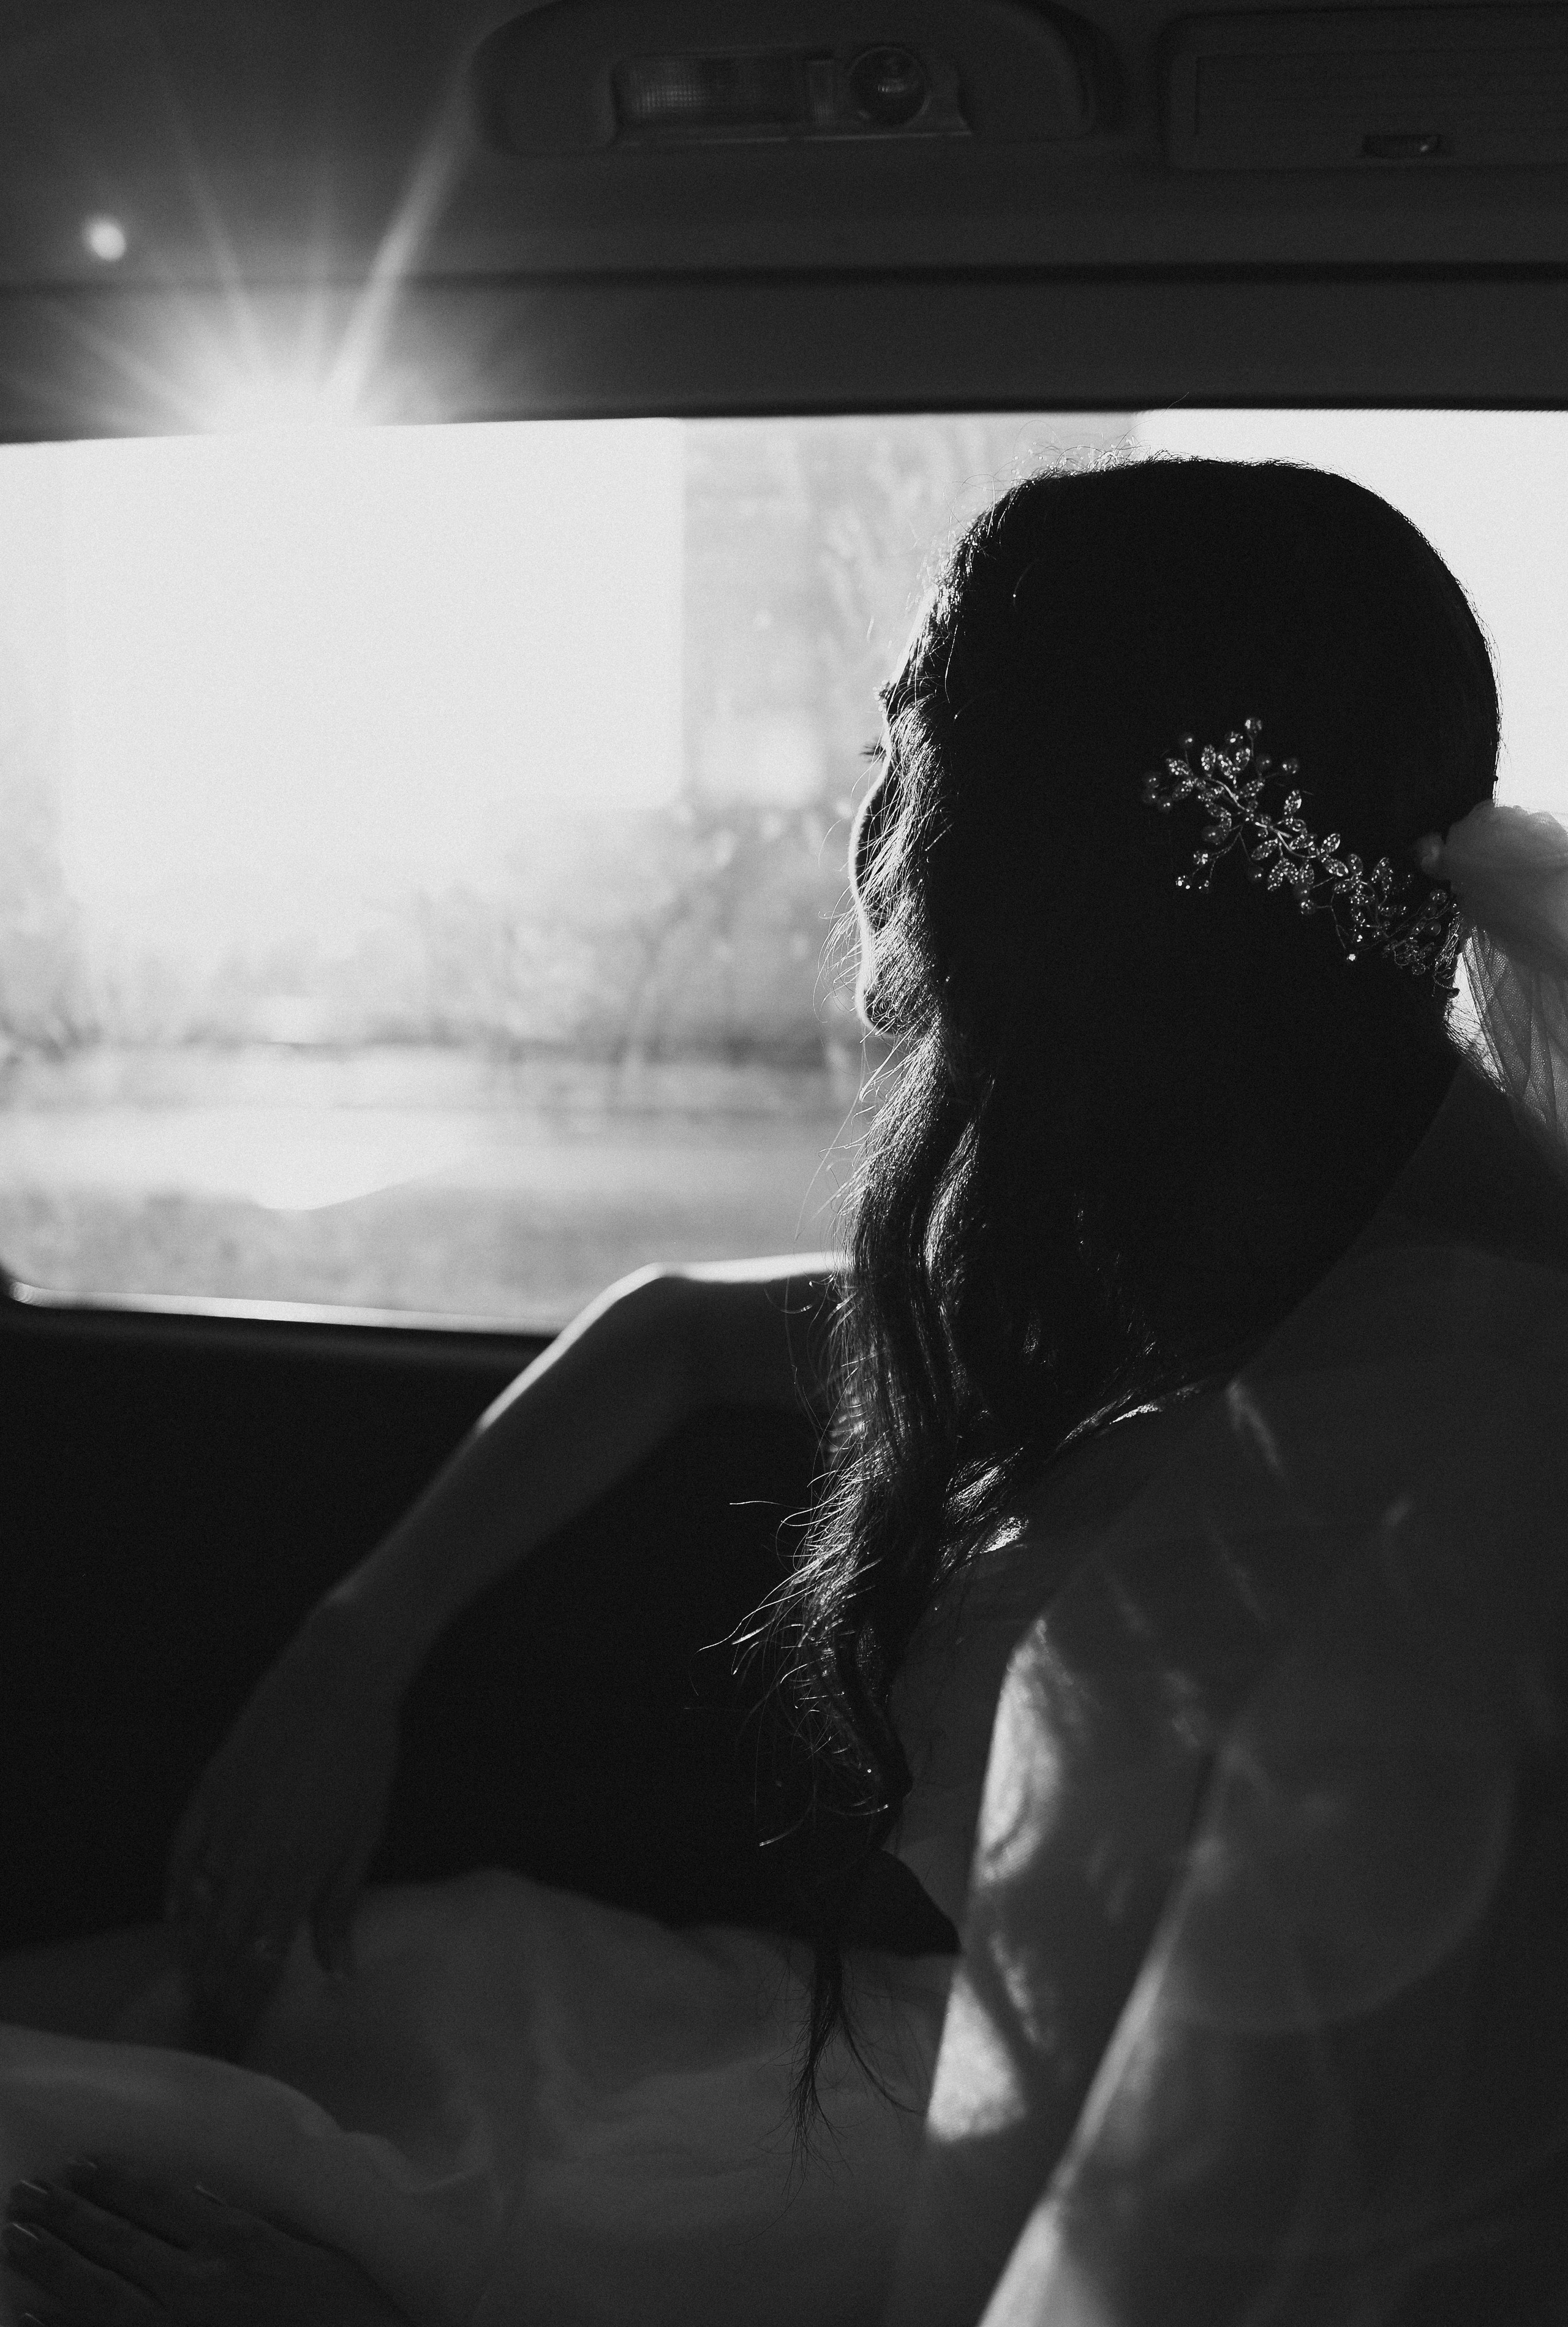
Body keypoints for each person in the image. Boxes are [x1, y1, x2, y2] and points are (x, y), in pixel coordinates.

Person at [4, 453, 1566, 2327]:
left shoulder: (1424, 1529)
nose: (867, 825)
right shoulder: (1201, 1271)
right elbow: (681, 1328)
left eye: (908, 740)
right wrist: (358, 1640)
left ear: (1030, 844)